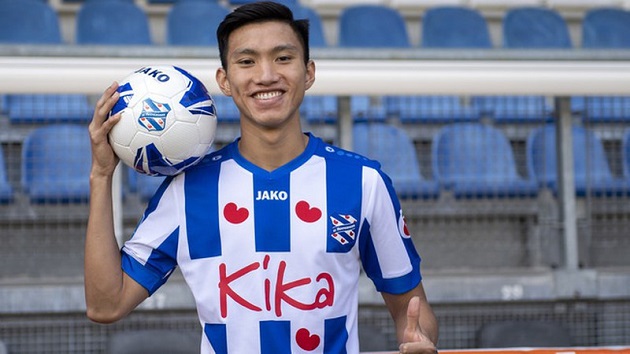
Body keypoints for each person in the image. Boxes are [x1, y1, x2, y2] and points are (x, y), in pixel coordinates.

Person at [85, 2, 438, 353]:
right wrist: (101, 175)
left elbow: (412, 310)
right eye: (247, 61)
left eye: (283, 58)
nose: (266, 75)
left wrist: (420, 341)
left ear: (309, 72)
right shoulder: (186, 190)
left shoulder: (362, 182)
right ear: (224, 79)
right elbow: (106, 304)